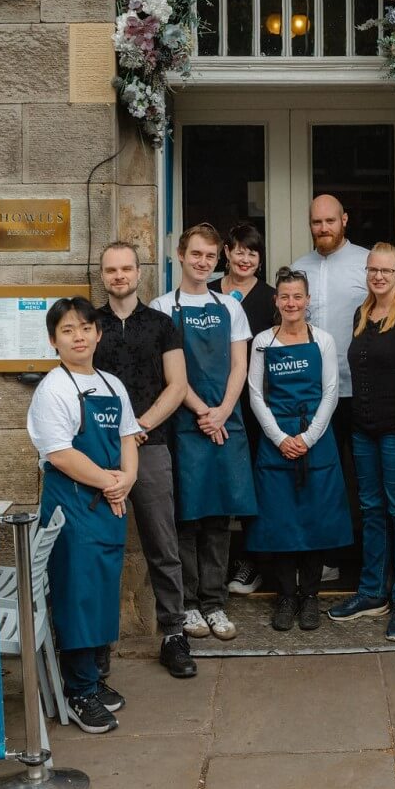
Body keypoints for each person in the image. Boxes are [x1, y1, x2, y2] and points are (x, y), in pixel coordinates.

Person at [27, 297, 139, 734]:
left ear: (98, 333)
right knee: (77, 595)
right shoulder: (53, 389)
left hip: (109, 503)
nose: (79, 336)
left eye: (85, 328)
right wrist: (111, 483)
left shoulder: (112, 385)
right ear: (54, 340)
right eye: (68, 330)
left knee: (102, 592)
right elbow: (60, 454)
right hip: (72, 505)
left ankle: (94, 676)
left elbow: (129, 435)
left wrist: (127, 478)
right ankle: (78, 691)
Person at [94, 241, 197, 679]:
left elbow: (177, 386)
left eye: (127, 268)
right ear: (103, 276)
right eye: (111, 269)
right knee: (97, 549)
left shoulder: (161, 325)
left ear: (140, 273)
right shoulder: (88, 324)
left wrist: (138, 428)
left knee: (162, 544)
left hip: (151, 446)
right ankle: (95, 643)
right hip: (97, 452)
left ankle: (174, 634)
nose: (120, 276)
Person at [150, 223, 257, 641]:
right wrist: (201, 411)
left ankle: (215, 603)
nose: (203, 262)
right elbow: (167, 373)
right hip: (184, 423)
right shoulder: (162, 308)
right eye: (196, 254)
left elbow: (239, 366)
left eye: (210, 257)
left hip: (225, 422)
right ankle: (189, 605)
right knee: (186, 517)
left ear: (219, 260)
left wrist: (223, 411)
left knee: (218, 515)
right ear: (180, 254)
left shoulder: (230, 307)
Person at [246, 267, 353, 631]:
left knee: (315, 523)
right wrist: (279, 438)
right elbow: (256, 395)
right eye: (285, 296)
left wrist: (308, 438)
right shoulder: (262, 341)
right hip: (276, 443)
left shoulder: (322, 340)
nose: (291, 303)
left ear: (308, 301)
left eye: (298, 296)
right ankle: (285, 597)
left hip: (316, 443)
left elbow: (330, 393)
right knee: (281, 524)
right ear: (276, 300)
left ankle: (309, 596)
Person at [328, 244, 395, 642]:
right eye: (373, 270)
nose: (379, 277)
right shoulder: (362, 312)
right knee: (370, 510)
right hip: (362, 429)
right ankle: (372, 593)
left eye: (387, 271)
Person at [293, 194, 369, 580]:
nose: (323, 228)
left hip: (358, 389)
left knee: (359, 478)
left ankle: (358, 561)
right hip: (311, 393)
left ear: (345, 220)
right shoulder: (298, 268)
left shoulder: (367, 263)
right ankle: (321, 559)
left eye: (330, 221)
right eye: (316, 222)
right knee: (319, 477)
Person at [209, 221, 276, 597]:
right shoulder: (208, 291)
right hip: (212, 401)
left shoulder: (270, 298)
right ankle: (217, 563)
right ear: (226, 253)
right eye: (238, 250)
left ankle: (252, 562)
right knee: (220, 482)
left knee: (251, 481)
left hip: (254, 404)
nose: (245, 258)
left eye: (252, 252)